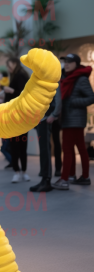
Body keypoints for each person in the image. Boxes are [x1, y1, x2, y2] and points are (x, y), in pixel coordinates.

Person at [53, 54, 94, 190]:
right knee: (79, 148)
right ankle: (79, 176)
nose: (67, 64)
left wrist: (72, 102)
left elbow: (91, 98)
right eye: (65, 62)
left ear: (76, 64)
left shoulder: (80, 79)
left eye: (70, 62)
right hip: (69, 118)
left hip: (74, 119)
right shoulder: (66, 78)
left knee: (68, 149)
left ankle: (65, 180)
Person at [30, 83, 61, 192]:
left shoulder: (52, 81)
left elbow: (58, 100)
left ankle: (46, 180)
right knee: (44, 149)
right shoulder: (41, 81)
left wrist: (54, 115)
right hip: (41, 119)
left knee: (45, 149)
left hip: (46, 119)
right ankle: (44, 179)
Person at [4, 57, 30, 183]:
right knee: (20, 145)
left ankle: (19, 172)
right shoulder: (21, 75)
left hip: (17, 115)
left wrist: (10, 90)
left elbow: (22, 94)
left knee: (17, 146)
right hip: (21, 115)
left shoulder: (19, 76)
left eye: (9, 65)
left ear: (14, 64)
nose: (9, 68)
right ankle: (21, 172)